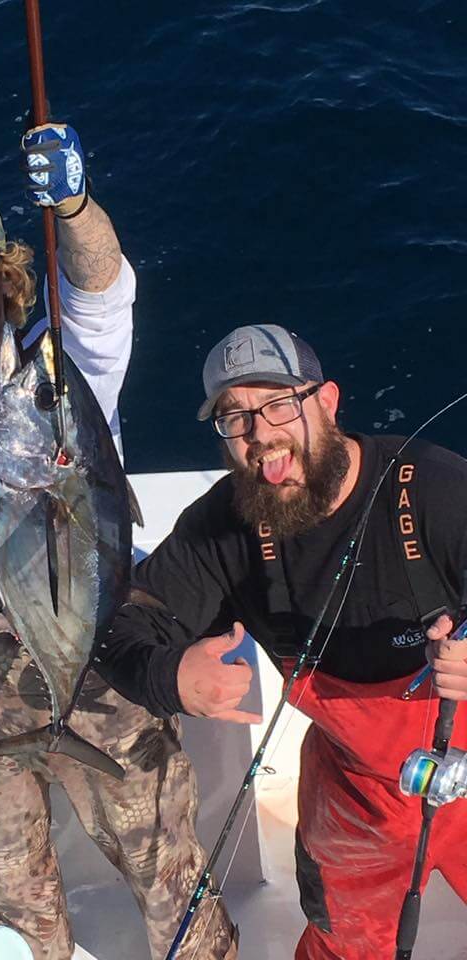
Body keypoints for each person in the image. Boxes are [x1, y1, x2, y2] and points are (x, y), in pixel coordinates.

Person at [0, 123, 237, 960]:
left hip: (96, 662)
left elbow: (102, 284)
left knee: (164, 867)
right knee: (10, 884)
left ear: (2, 277)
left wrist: (70, 203)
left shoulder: (61, 369)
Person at [99, 323, 467, 959]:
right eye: (233, 416)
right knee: (342, 942)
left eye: (276, 404)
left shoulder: (431, 488)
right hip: (358, 795)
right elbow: (121, 625)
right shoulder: (224, 525)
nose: (258, 434)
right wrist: (171, 675)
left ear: (325, 402)